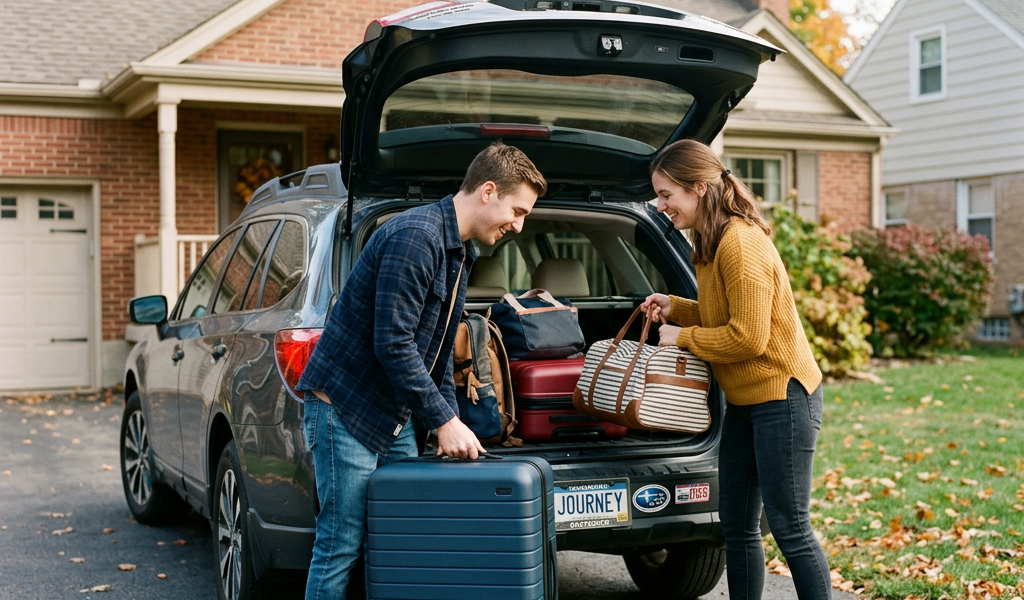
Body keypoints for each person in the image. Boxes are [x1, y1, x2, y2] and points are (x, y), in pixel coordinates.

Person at [296, 141, 547, 600]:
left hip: (393, 417)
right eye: (518, 210)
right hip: (346, 412)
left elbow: (435, 356)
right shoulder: (417, 237)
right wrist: (443, 421)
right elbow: (392, 343)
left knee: (401, 537)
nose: (519, 224)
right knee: (340, 546)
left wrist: (455, 427)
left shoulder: (460, 253)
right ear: (488, 191)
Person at [639, 140, 830, 600]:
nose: (661, 206)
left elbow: (748, 336)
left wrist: (682, 337)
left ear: (699, 188)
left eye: (667, 195)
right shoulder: (710, 240)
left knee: (790, 526)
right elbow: (722, 311)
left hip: (782, 398)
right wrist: (677, 307)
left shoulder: (740, 244)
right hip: (745, 402)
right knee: (737, 525)